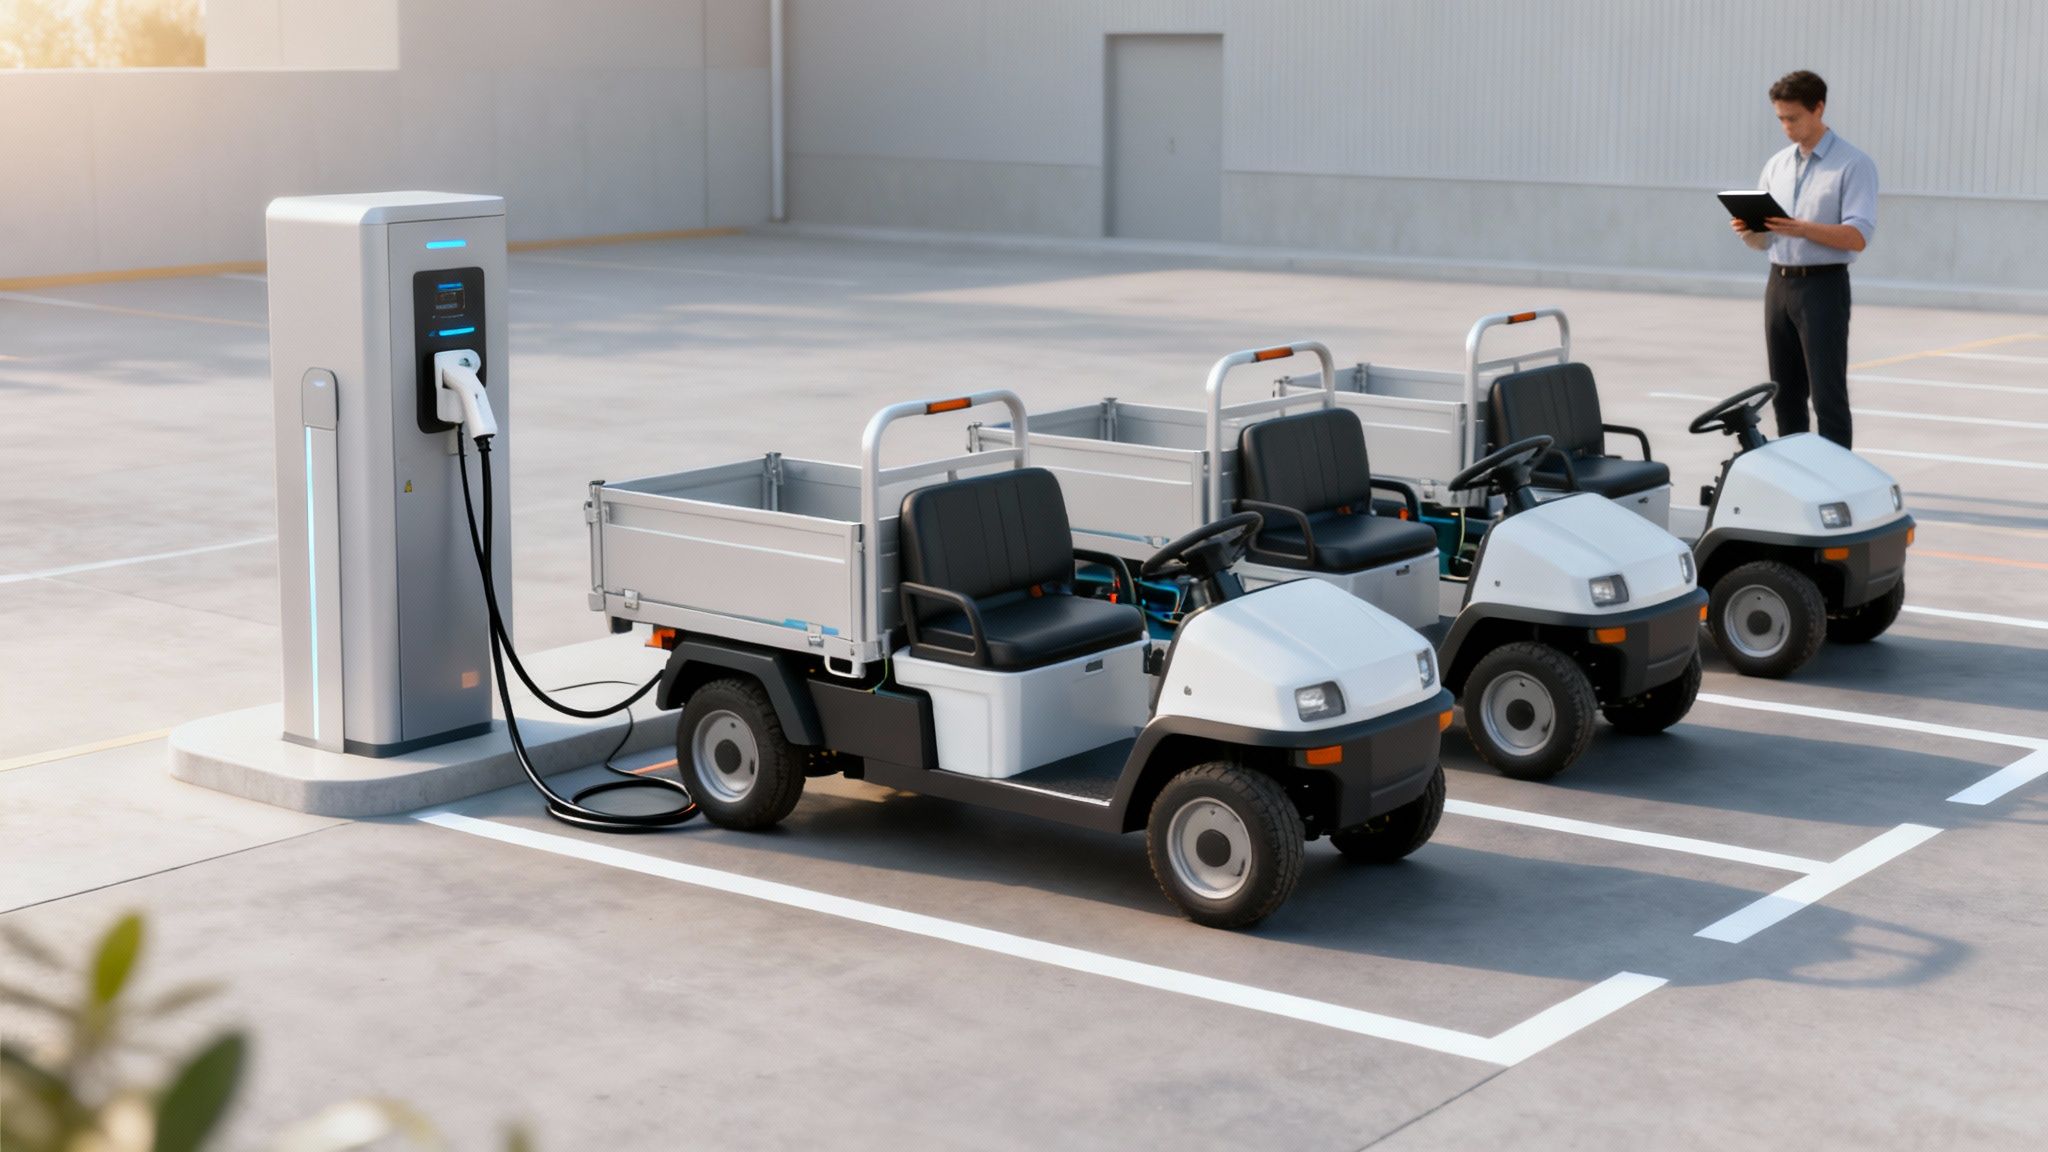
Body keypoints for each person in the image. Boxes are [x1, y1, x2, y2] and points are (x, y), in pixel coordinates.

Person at [1731, 70, 1878, 448]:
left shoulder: (1853, 164)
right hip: (1778, 284)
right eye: (1780, 118)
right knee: (1785, 393)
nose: (1786, 127)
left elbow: (1858, 236)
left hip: (1823, 286)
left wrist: (1801, 228)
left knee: (1827, 395)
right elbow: (1764, 242)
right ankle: (1797, 474)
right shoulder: (1776, 165)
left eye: (1793, 118)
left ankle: (1839, 478)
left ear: (1819, 108)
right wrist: (1749, 229)